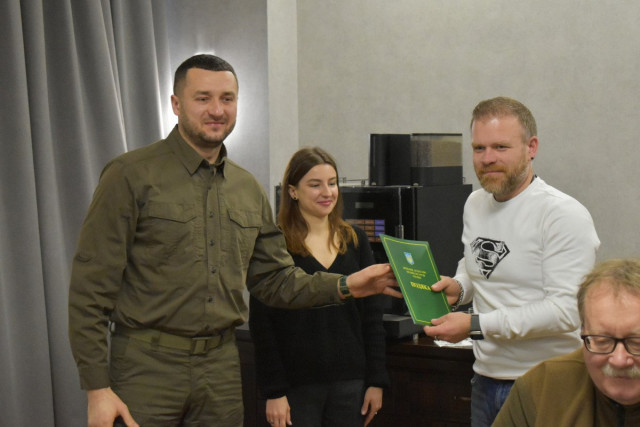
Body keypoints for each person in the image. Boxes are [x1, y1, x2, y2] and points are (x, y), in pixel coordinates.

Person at [68, 54, 399, 427]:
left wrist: (346, 285)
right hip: (146, 368)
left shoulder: (247, 188)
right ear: (176, 104)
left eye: (227, 98)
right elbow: (90, 289)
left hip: (221, 368)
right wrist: (97, 388)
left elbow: (275, 281)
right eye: (203, 98)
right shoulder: (130, 175)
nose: (217, 110)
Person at [422, 96, 600, 426]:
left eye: (500, 147)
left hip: (548, 384)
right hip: (484, 379)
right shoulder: (475, 203)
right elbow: (477, 264)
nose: (487, 158)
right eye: (479, 148)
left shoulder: (562, 214)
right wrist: (459, 288)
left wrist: (475, 325)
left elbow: (566, 311)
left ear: (531, 147)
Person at [249, 147, 389, 427]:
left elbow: (372, 317)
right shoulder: (275, 244)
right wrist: (274, 392)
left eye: (332, 183)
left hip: (350, 382)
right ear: (293, 191)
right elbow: (262, 325)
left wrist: (376, 380)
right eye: (315, 185)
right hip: (296, 387)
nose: (327, 192)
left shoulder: (355, 240)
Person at [494, 258, 640, 426]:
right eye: (602, 341)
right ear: (583, 332)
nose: (619, 360)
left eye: (636, 342)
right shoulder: (542, 388)